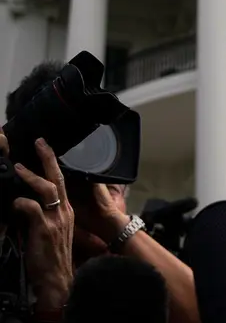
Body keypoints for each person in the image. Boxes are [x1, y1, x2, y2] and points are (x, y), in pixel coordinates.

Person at [0, 62, 199, 323]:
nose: (96, 193)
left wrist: (112, 222)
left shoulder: (133, 283)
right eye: (73, 185)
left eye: (112, 189)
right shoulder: (10, 252)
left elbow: (212, 314)